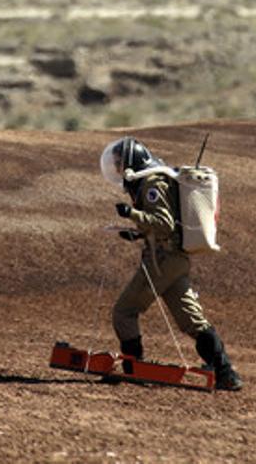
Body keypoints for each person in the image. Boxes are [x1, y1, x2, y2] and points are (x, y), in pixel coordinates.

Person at [99, 136, 243, 391]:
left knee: (124, 312)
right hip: (175, 261)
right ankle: (225, 373)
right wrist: (137, 232)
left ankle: (133, 366)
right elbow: (165, 226)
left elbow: (163, 223)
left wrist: (131, 214)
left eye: (120, 163)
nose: (118, 168)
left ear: (132, 161)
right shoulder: (156, 180)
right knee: (192, 321)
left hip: (162, 261)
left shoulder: (152, 183)